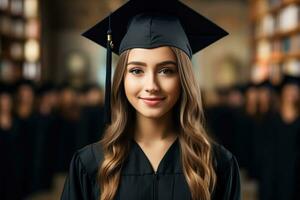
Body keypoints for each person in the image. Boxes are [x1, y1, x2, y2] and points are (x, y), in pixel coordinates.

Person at [61, 0, 241, 199]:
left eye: (166, 71)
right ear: (122, 78)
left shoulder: (218, 165)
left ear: (184, 78)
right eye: (137, 70)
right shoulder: (90, 164)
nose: (151, 85)